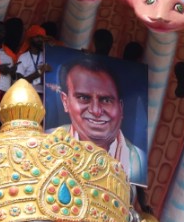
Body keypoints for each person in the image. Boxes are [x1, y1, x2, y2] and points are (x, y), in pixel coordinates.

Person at [52, 53, 147, 184]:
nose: (96, 111)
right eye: (83, 98)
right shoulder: (47, 141)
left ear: (121, 107)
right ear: (65, 101)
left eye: (106, 100)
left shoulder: (140, 160)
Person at [15, 25, 51, 99]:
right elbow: (20, 81)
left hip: (43, 97)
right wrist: (39, 72)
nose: (41, 40)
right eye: (38, 37)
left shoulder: (48, 56)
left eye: (42, 37)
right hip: (26, 95)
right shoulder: (23, 57)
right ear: (30, 39)